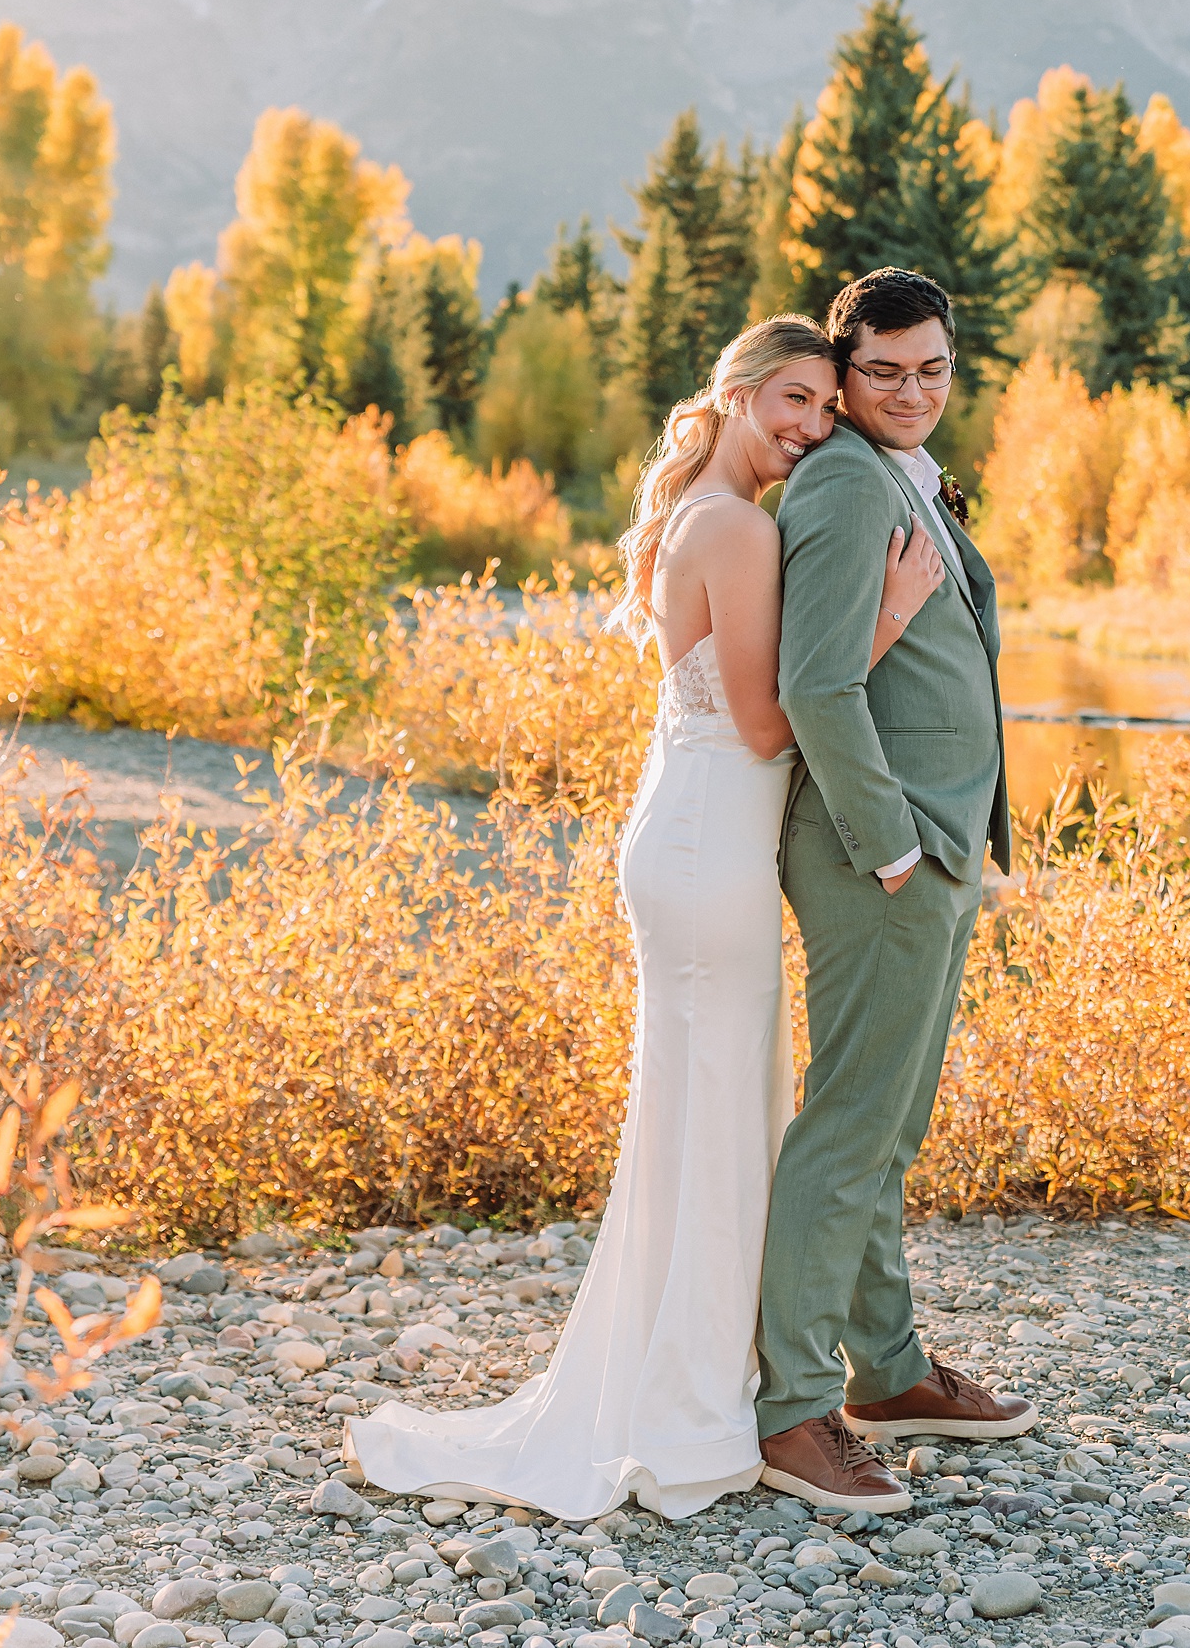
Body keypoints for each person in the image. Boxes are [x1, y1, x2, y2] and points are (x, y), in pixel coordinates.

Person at [345, 315, 945, 1522]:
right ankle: (694, 1402)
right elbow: (776, 726)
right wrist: (887, 614)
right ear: (730, 394)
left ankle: (697, 1380)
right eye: (790, 398)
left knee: (705, 1112)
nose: (810, 426)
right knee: (721, 1110)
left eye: (825, 408)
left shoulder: (712, 517)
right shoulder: (730, 526)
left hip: (691, 833)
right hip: (707, 845)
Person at [756, 267, 1034, 1515]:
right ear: (845, 370)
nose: (910, 390)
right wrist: (894, 849)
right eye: (882, 371)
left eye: (931, 368)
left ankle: (890, 1370)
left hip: (931, 851)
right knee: (848, 1127)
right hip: (883, 854)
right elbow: (818, 685)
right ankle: (795, 1411)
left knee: (891, 1127)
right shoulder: (840, 485)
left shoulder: (901, 478)